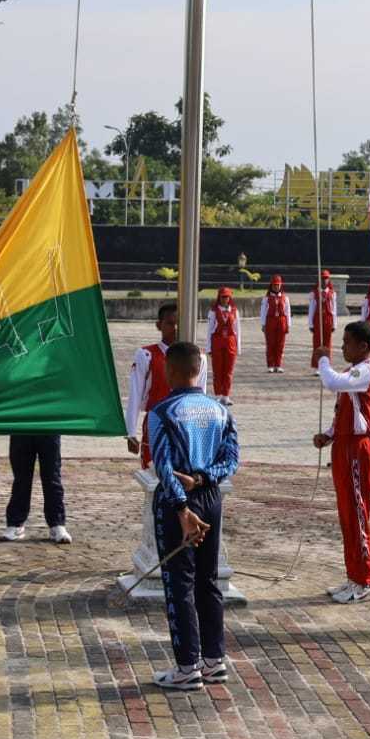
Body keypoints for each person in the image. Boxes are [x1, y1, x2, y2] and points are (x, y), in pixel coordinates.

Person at [145, 341, 240, 691]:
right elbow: (231, 460)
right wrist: (203, 478)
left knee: (179, 583)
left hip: (178, 503)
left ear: (169, 371)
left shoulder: (162, 412)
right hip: (210, 496)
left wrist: (182, 508)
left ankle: (187, 666)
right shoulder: (219, 411)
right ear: (198, 371)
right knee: (208, 580)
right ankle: (214, 660)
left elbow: (164, 466)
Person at [312, 321, 370, 605]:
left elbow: (331, 382)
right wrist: (329, 434)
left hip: (357, 449)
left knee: (357, 514)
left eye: (347, 343)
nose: (342, 347)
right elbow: (343, 409)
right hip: (343, 446)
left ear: (363, 347)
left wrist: (323, 360)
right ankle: (354, 574)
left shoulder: (365, 371)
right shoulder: (352, 372)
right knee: (346, 515)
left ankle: (365, 579)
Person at [124, 303, 206, 467]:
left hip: (185, 425)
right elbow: (135, 393)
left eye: (178, 324)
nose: (175, 328)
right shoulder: (146, 355)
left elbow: (201, 395)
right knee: (153, 473)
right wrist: (130, 432)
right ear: (158, 325)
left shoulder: (199, 357)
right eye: (170, 323)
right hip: (156, 423)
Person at [3, 434, 71, 544]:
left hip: (49, 429)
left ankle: (57, 524)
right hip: (21, 429)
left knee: (52, 477)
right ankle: (15, 524)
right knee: (21, 479)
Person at [204, 287, 241, 402]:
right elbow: (209, 330)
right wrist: (208, 348)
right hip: (217, 341)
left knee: (228, 370)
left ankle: (226, 395)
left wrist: (238, 347)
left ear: (230, 298)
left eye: (227, 297)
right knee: (217, 369)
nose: (225, 299)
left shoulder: (234, 311)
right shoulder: (213, 311)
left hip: (230, 341)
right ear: (219, 298)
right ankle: (218, 394)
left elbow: (237, 330)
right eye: (223, 297)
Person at [259, 275, 291, 373]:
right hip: (270, 321)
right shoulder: (266, 298)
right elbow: (263, 312)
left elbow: (287, 312)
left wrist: (288, 325)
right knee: (270, 343)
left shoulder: (285, 298)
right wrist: (263, 324)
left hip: (281, 321)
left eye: (278, 285)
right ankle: (270, 365)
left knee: (280, 344)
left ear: (281, 285)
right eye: (274, 285)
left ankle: (278, 364)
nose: (276, 287)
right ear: (271, 286)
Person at [307, 270, 338, 367]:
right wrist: (310, 324)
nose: (324, 281)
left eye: (326, 278)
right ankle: (317, 365)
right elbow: (311, 308)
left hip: (328, 318)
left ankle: (326, 365)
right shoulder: (314, 293)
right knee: (317, 342)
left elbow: (334, 309)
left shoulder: (332, 293)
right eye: (322, 278)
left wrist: (334, 324)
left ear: (329, 280)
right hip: (318, 318)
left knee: (327, 343)